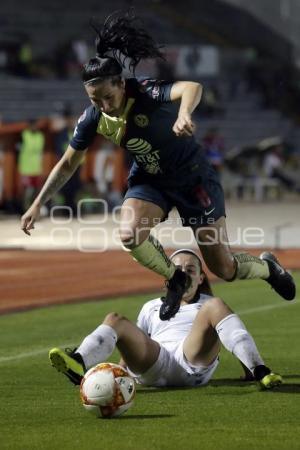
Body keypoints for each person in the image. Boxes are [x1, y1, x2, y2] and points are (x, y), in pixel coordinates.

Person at [21, 11, 296, 323]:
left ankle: (268, 268)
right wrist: (38, 203)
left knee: (224, 268)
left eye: (108, 97)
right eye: (95, 101)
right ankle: (176, 279)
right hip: (150, 180)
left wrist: (183, 114)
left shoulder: (146, 92)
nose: (104, 107)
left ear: (120, 84)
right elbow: (68, 162)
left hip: (193, 179)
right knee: (128, 234)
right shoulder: (94, 118)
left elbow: (191, 87)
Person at [49, 249, 282, 390]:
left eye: (190, 270)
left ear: (201, 278)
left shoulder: (207, 304)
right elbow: (136, 344)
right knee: (115, 319)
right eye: (177, 270)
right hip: (153, 364)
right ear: (167, 278)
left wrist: (248, 368)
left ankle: (260, 370)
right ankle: (78, 361)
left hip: (191, 361)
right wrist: (118, 373)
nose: (184, 274)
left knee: (215, 305)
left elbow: (230, 332)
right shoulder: (151, 306)